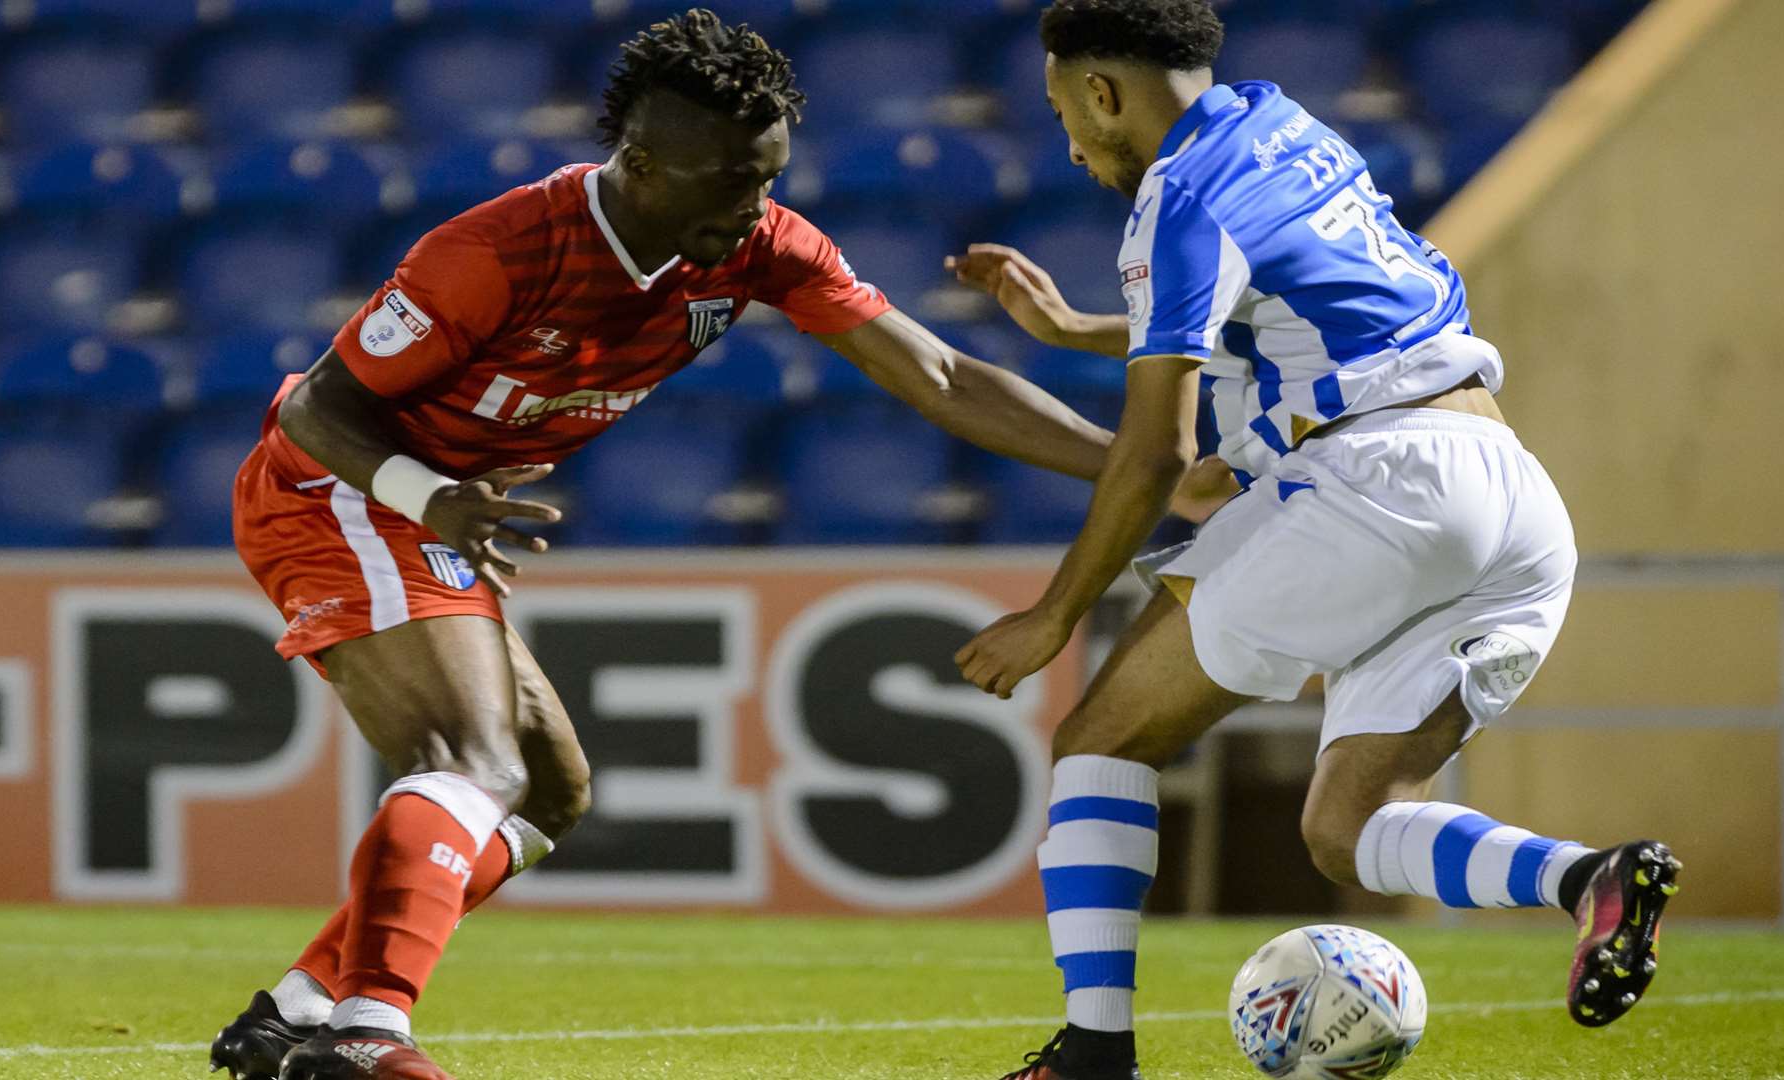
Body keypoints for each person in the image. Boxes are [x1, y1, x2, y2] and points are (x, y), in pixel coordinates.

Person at [206, 10, 1216, 1080]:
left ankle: (296, 1011)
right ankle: (368, 1034)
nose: (756, 208)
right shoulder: (495, 252)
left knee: (549, 792)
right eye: (734, 182)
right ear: (642, 164)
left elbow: (943, 377)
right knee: (473, 760)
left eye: (768, 178)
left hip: (433, 513)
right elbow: (317, 411)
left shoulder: (762, 245)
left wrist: (1139, 467)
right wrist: (431, 496)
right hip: (341, 492)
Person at [944, 3, 1681, 1078]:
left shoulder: (1176, 193)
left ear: (1103, 92)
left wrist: (1052, 617)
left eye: (1065, 112)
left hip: (1378, 484)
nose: (1068, 142)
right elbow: (1286, 303)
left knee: (1103, 741)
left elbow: (1156, 454)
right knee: (1352, 825)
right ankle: (1592, 881)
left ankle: (1093, 1056)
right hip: (1509, 496)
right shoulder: (1281, 125)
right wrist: (1076, 333)